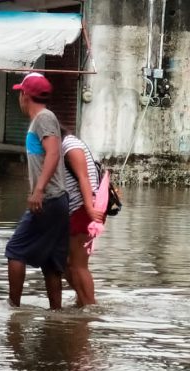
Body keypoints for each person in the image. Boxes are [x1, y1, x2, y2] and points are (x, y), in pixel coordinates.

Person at [5, 73, 69, 310]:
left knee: (14, 250)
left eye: (20, 93)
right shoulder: (43, 119)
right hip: (57, 201)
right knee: (51, 262)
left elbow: (53, 153)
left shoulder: (43, 118)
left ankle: (13, 308)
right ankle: (56, 314)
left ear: (25, 96)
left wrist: (39, 190)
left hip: (50, 199)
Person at [61, 127, 105, 307]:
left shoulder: (69, 144)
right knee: (65, 262)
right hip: (80, 209)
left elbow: (83, 176)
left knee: (78, 265)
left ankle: (89, 307)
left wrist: (88, 207)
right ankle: (82, 302)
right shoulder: (67, 144)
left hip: (83, 210)